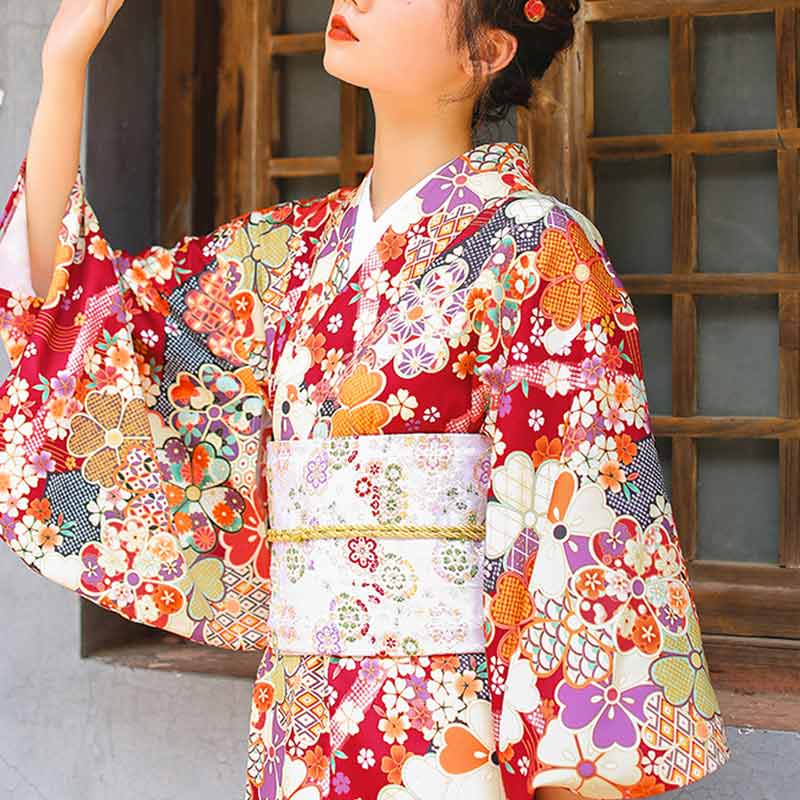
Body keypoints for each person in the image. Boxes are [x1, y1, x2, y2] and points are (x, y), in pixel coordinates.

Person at [0, 1, 733, 798]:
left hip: (445, 739)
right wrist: (65, 64)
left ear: (487, 50)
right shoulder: (292, 256)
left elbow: (583, 545)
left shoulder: (540, 249)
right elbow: (78, 317)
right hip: (299, 729)